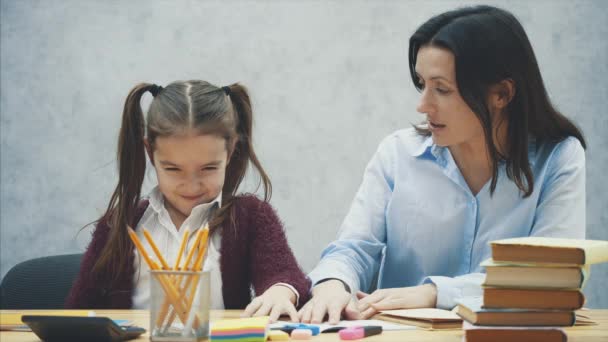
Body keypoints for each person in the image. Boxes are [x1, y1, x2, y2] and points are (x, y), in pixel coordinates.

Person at [299, 5, 586, 324]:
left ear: (501, 94)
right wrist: (331, 285)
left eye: (442, 89)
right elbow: (353, 248)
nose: (422, 105)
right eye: (422, 84)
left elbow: (552, 279)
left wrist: (435, 293)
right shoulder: (398, 153)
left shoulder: (559, 158)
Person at [66, 80, 310, 322]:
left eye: (208, 168)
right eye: (172, 169)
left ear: (231, 150)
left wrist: (281, 291)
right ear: (150, 153)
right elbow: (76, 315)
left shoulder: (251, 217)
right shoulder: (116, 226)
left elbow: (284, 274)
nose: (191, 185)